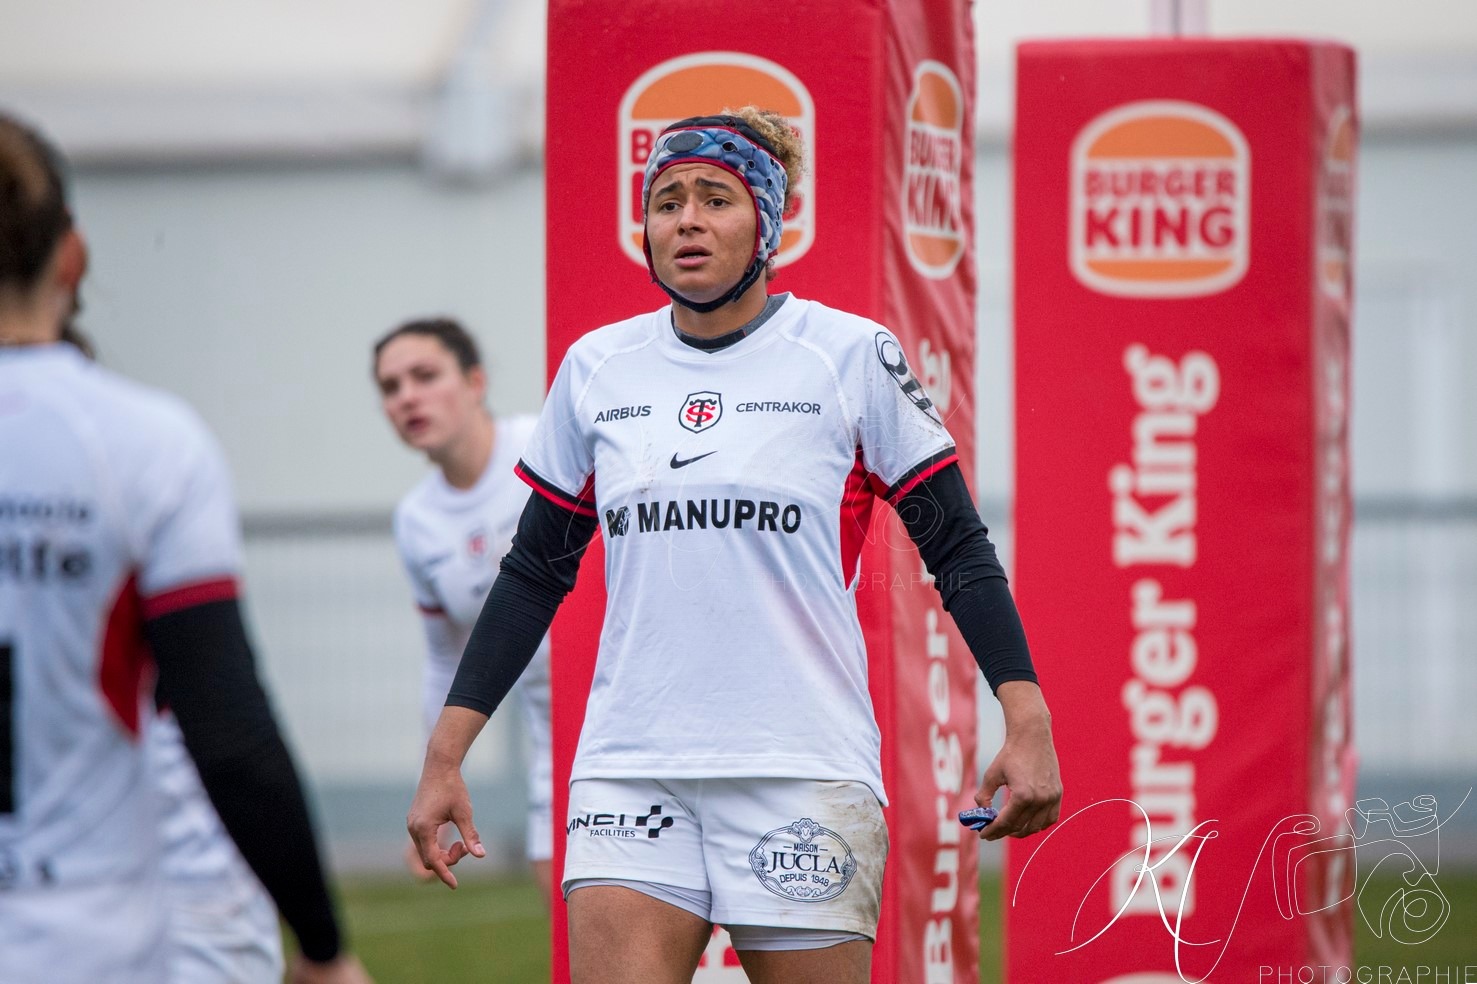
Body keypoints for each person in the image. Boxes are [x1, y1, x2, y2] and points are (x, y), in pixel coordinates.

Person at [407, 107, 1062, 983]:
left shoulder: (848, 355)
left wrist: (1027, 719)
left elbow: (961, 552)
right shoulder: (598, 368)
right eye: (667, 199)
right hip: (629, 771)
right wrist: (446, 755)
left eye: (715, 197)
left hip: (802, 769)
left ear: (769, 220)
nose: (686, 218)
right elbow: (531, 576)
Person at [0, 112, 371, 984]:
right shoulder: (144, 444)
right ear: (73, 258)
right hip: (79, 936)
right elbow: (228, 729)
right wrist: (322, 946)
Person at [56, 324, 287, 983]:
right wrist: (324, 941)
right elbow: (235, 736)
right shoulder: (154, 466)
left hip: (173, 890)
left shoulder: (145, 505)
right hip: (149, 894)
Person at [373, 317, 553, 900]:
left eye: (425, 376)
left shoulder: (545, 442)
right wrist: (438, 777)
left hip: (630, 719)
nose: (407, 397)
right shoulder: (416, 521)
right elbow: (444, 662)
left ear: (475, 381)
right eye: (391, 387)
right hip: (553, 741)